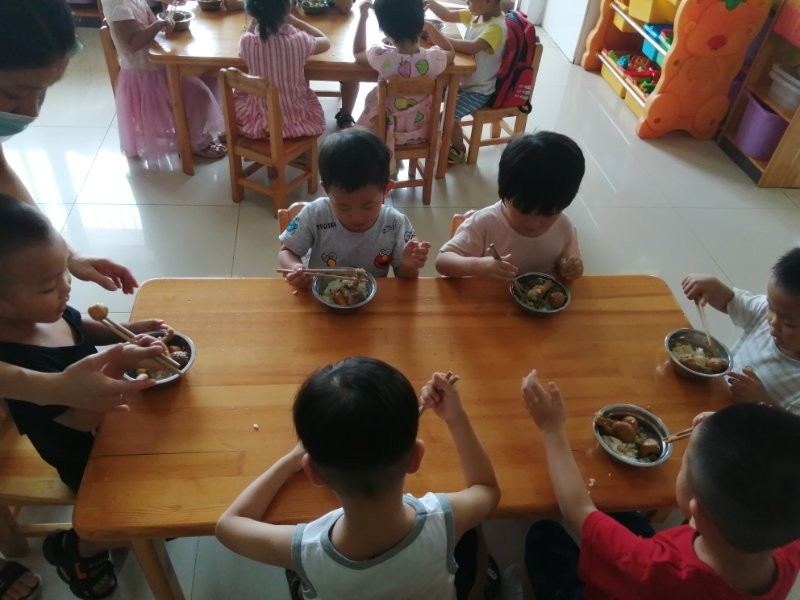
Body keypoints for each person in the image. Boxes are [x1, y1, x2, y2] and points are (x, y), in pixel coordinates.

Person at [0, 197, 174, 600]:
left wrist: (127, 331)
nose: (66, 286)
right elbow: (77, 422)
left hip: (112, 424)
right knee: (126, 517)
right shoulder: (16, 363)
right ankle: (77, 549)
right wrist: (117, 372)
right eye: (49, 286)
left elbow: (82, 328)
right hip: (84, 459)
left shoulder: (46, 312)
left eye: (64, 270)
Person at [216, 357, 501, 598]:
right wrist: (455, 416)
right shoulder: (445, 519)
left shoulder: (306, 550)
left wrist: (290, 461)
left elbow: (228, 525)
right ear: (415, 458)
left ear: (313, 473)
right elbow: (486, 489)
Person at [521, 371, 800, 598]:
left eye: (685, 462)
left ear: (696, 514)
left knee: (543, 533)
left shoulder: (652, 567)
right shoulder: (788, 548)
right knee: (625, 516)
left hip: (623, 588)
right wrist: (721, 432)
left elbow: (576, 511)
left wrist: (551, 428)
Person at [278, 128, 431, 288]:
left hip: (370, 298)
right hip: (321, 295)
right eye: (343, 206)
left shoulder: (395, 223)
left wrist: (408, 265)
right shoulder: (315, 214)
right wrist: (294, 268)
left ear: (386, 189)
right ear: (327, 190)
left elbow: (405, 281)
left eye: (368, 206)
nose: (356, 217)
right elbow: (286, 252)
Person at [436, 132, 585, 282]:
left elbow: (573, 259)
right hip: (489, 295)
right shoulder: (485, 223)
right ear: (506, 193)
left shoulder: (564, 226)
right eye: (524, 211)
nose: (533, 224)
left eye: (548, 214)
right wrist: (477, 266)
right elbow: (443, 261)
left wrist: (573, 267)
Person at [101, 0, 226, 163]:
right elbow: (132, 43)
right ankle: (193, 142)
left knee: (210, 75)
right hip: (145, 76)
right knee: (199, 93)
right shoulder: (117, 5)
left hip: (157, 63)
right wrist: (158, 25)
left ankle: (201, 129)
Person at [682, 247, 800, 412]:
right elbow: (731, 302)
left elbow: (789, 427)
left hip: (742, 425)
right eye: (771, 307)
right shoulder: (768, 310)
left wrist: (762, 402)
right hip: (710, 397)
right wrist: (713, 287)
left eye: (788, 323)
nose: (772, 321)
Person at [353, 0, 454, 165]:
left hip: (386, 131)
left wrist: (363, 17)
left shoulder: (381, 57)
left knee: (371, 104)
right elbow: (451, 52)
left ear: (385, 30)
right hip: (421, 131)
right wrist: (429, 27)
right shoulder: (434, 59)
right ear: (420, 22)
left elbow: (358, 53)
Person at [236, 0, 330, 140]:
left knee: (241, 96)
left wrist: (255, 22)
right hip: (296, 118)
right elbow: (325, 41)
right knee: (307, 96)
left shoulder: (247, 42)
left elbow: (247, 38)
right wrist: (296, 21)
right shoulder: (299, 41)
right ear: (287, 9)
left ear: (251, 12)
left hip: (259, 121)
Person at [426, 0, 506, 164]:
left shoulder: (496, 27)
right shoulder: (476, 14)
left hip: (479, 91)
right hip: (463, 83)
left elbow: (472, 47)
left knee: (446, 116)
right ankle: (434, 138)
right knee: (430, 93)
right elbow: (446, 15)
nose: (467, 2)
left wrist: (440, 39)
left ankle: (459, 150)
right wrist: (429, 2)